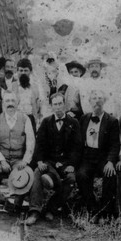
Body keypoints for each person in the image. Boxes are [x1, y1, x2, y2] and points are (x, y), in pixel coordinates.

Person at [26, 93, 82, 225]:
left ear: (65, 104)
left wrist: (72, 165)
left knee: (71, 179)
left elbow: (77, 147)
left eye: (60, 103)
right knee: (37, 173)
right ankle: (34, 211)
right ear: (51, 106)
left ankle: (51, 208)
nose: (58, 107)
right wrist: (39, 161)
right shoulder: (46, 122)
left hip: (66, 163)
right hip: (49, 161)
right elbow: (39, 144)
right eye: (55, 104)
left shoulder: (74, 123)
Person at [0, 91, 35, 215]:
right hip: (1, 158)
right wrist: (1, 160)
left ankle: (16, 205)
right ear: (3, 104)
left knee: (24, 173)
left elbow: (31, 142)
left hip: (19, 159)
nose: (10, 104)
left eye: (13, 101)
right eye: (7, 101)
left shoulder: (25, 119)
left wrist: (25, 160)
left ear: (17, 103)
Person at [76, 90, 120, 221]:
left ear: (104, 101)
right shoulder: (84, 118)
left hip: (103, 158)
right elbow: (78, 142)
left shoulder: (112, 121)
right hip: (87, 157)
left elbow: (115, 144)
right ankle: (93, 209)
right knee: (81, 175)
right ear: (89, 102)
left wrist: (110, 161)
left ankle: (106, 211)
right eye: (94, 98)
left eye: (100, 98)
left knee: (110, 174)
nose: (97, 101)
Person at [11, 58, 42, 132]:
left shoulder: (35, 87)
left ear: (30, 72)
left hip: (30, 119)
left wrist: (37, 121)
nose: (23, 73)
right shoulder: (12, 87)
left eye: (26, 70)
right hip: (16, 119)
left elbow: (38, 106)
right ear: (17, 71)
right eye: (21, 70)